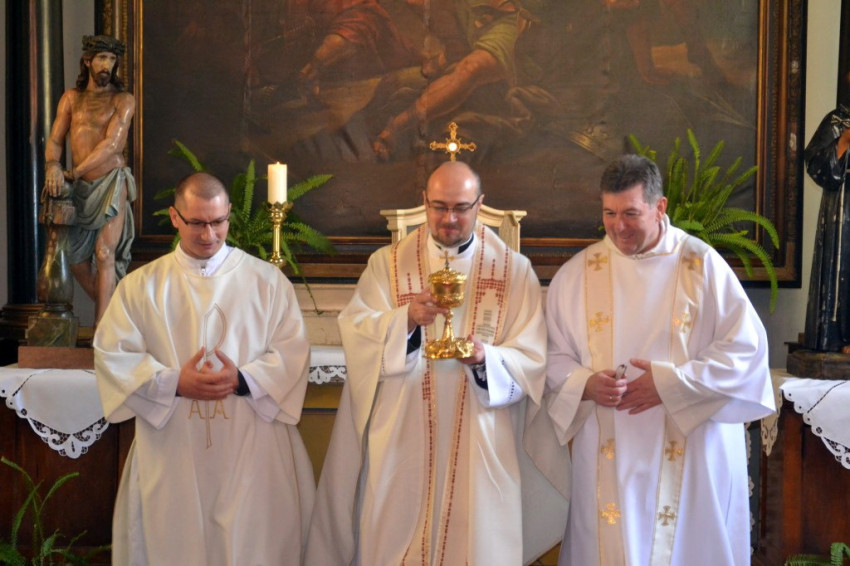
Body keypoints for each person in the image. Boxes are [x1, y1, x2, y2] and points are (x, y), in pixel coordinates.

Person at [306, 160, 567, 565]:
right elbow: (358, 333)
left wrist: (486, 360)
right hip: (402, 434)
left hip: (481, 437)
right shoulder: (387, 264)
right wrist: (406, 321)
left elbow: (532, 359)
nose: (449, 219)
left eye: (461, 208)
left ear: (480, 204)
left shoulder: (514, 272)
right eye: (439, 206)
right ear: (424, 201)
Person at [541, 154, 774, 565]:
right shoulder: (578, 274)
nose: (619, 226)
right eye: (610, 213)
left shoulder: (701, 265)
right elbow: (550, 354)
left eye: (631, 213)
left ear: (659, 206)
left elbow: (745, 351)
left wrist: (669, 385)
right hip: (608, 443)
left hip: (691, 445)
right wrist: (585, 383)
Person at [93, 172, 315, 565]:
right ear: (174, 217)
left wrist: (242, 379)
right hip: (172, 449)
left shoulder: (267, 282)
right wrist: (175, 382)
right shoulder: (141, 287)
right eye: (196, 222)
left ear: (229, 213)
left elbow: (293, 352)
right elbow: (114, 356)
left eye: (218, 221)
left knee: (253, 545)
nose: (209, 234)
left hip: (251, 447)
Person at [43, 34, 136, 326]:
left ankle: (102, 332)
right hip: (80, 190)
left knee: (105, 253)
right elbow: (55, 139)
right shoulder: (72, 98)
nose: (107, 65)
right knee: (73, 257)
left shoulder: (123, 100)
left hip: (111, 182)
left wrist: (74, 172)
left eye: (112, 59)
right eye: (101, 58)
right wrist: (53, 165)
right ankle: (122, 318)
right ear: (87, 61)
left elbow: (112, 144)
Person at [802, 83, 850, 352]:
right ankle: (839, 340)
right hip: (844, 216)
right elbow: (817, 166)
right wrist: (843, 142)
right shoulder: (837, 121)